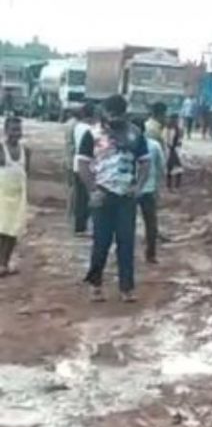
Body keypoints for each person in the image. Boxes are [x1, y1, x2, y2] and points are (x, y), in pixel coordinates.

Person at [78, 94, 151, 303]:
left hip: (126, 197)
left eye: (120, 114)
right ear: (105, 113)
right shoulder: (91, 135)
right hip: (102, 194)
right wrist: (93, 190)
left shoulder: (135, 134)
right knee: (101, 243)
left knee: (126, 242)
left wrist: (138, 187)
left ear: (125, 113)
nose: (116, 118)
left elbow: (145, 163)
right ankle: (95, 284)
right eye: (112, 114)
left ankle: (126, 288)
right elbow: (83, 165)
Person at [0, 116, 29, 277]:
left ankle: (4, 263)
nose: (16, 133)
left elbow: (26, 173)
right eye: (13, 129)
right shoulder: (0, 149)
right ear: (5, 131)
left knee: (13, 230)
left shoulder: (26, 151)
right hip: (2, 196)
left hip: (18, 197)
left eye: (19, 130)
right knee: (1, 230)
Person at [69, 104, 97, 236]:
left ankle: (79, 226)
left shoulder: (78, 126)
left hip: (77, 164)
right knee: (87, 197)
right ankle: (84, 226)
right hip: (88, 165)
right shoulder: (91, 130)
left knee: (80, 197)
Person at [139, 134, 165, 264]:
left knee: (124, 224)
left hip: (129, 190)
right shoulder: (154, 145)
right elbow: (161, 167)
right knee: (151, 223)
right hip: (148, 189)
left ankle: (121, 252)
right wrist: (159, 187)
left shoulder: (125, 144)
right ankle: (151, 254)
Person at [164, 115, 184, 190]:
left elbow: (179, 141)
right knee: (176, 168)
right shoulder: (170, 129)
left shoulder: (176, 129)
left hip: (173, 150)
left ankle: (171, 186)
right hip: (171, 150)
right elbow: (167, 141)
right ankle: (173, 186)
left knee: (171, 168)